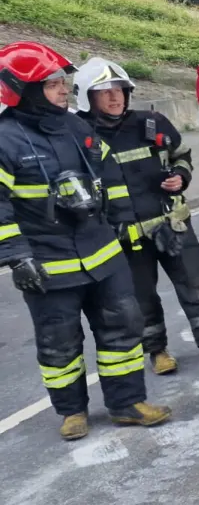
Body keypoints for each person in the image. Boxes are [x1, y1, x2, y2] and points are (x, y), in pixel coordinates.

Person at [0, 41, 172, 441]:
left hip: (103, 254)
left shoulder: (76, 126)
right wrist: (17, 256)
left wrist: (121, 222)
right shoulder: (5, 141)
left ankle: (127, 404)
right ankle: (71, 411)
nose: (65, 90)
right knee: (59, 343)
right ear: (24, 90)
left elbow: (108, 176)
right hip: (48, 264)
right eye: (54, 84)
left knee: (123, 330)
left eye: (64, 82)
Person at [74, 58, 199, 375]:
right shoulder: (80, 138)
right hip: (124, 236)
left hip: (172, 224)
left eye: (120, 90)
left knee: (197, 284)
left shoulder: (151, 123)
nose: (115, 98)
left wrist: (181, 177)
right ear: (88, 97)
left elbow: (181, 154)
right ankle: (157, 352)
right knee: (141, 299)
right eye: (105, 92)